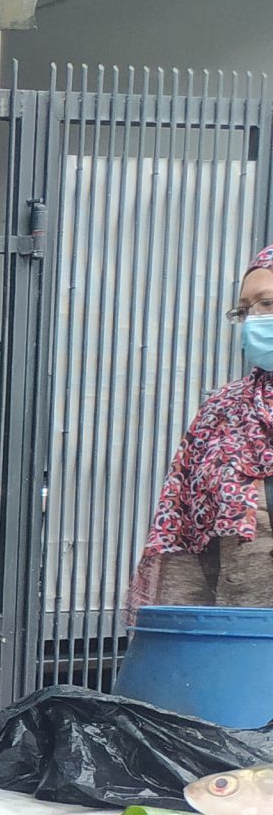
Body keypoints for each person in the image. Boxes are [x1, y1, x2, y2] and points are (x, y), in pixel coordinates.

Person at [139, 246, 273, 608]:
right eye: (244, 311)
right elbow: (182, 542)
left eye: (268, 304)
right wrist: (186, 638)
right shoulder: (223, 412)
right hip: (242, 641)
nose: (253, 320)